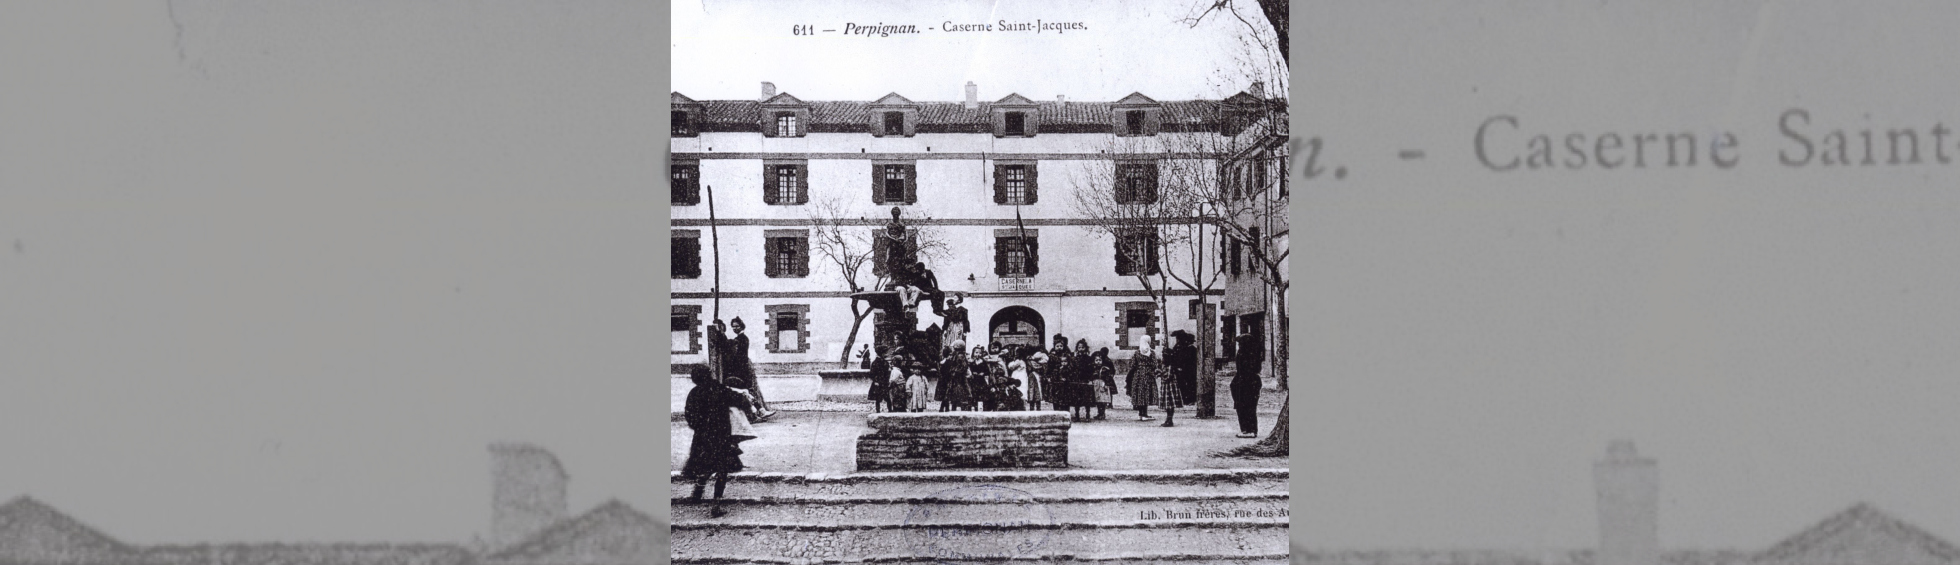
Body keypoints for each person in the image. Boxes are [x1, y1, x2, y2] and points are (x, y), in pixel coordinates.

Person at [682, 366, 750, 518]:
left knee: (705, 464)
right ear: (709, 375)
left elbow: (689, 415)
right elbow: (742, 402)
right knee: (721, 470)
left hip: (702, 438)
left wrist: (699, 426)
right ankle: (716, 505)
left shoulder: (694, 393)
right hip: (721, 437)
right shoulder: (719, 389)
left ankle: (698, 490)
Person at [1232, 331, 1266, 438]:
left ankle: (1248, 429)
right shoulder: (1251, 353)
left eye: (1240, 343)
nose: (1239, 345)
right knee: (1246, 406)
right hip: (1247, 381)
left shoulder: (1246, 353)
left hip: (1246, 382)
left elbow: (1247, 369)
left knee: (1246, 406)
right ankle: (1248, 429)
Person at [1125, 340, 1164, 421]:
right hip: (1148, 375)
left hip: (1138, 375)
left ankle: (1141, 414)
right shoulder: (1151, 353)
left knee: (1139, 393)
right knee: (1146, 393)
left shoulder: (1137, 353)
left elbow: (1132, 365)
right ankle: (1145, 414)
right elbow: (1154, 364)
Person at [1153, 338, 1184, 427]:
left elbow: (1168, 376)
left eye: (1164, 357)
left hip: (1169, 387)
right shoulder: (1166, 366)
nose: (1162, 358)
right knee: (1168, 405)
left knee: (1169, 404)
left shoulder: (1170, 366)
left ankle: (1169, 420)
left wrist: (1160, 373)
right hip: (1167, 387)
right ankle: (1168, 419)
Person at [1167, 330, 1199, 406]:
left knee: (1189, 385)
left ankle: (1190, 399)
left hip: (1188, 370)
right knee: (1182, 385)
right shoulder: (1178, 346)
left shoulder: (1191, 349)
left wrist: (1181, 367)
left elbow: (1187, 360)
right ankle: (1185, 399)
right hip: (1181, 370)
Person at [1046, 336, 1075, 418]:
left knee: (1065, 396)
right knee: (1056, 396)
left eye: (1061, 346)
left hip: (1065, 378)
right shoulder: (1052, 356)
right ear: (1054, 347)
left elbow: (1071, 366)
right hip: (1055, 378)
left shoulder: (1066, 355)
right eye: (1057, 346)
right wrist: (1048, 376)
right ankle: (1056, 412)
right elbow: (1049, 367)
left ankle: (1066, 412)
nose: (1059, 348)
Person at [939, 344, 973, 411]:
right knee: (953, 394)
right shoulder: (955, 356)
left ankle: (963, 408)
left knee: (961, 393)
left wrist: (955, 371)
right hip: (954, 378)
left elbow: (962, 367)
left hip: (959, 378)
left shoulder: (960, 356)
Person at [1091, 347, 1117, 420]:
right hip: (1096, 387)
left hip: (1103, 386)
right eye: (1096, 360)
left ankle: (1102, 413)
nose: (1098, 362)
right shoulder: (1093, 368)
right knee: (1098, 401)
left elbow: (1108, 377)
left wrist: (1107, 384)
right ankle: (1099, 413)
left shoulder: (1105, 369)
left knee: (1103, 401)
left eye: (1099, 360)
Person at [867, 347, 891, 413]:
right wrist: (876, 381)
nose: (886, 354)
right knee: (880, 398)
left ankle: (887, 411)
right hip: (879, 383)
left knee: (885, 398)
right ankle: (881, 411)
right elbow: (872, 374)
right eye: (884, 353)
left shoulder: (880, 362)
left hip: (882, 382)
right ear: (881, 353)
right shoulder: (877, 363)